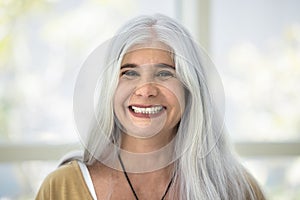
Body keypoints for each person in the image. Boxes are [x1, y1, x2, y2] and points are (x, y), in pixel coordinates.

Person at [36, 14, 265, 200]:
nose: (145, 90)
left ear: (189, 88)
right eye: (130, 73)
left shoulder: (236, 189)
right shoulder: (62, 188)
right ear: (111, 89)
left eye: (165, 73)